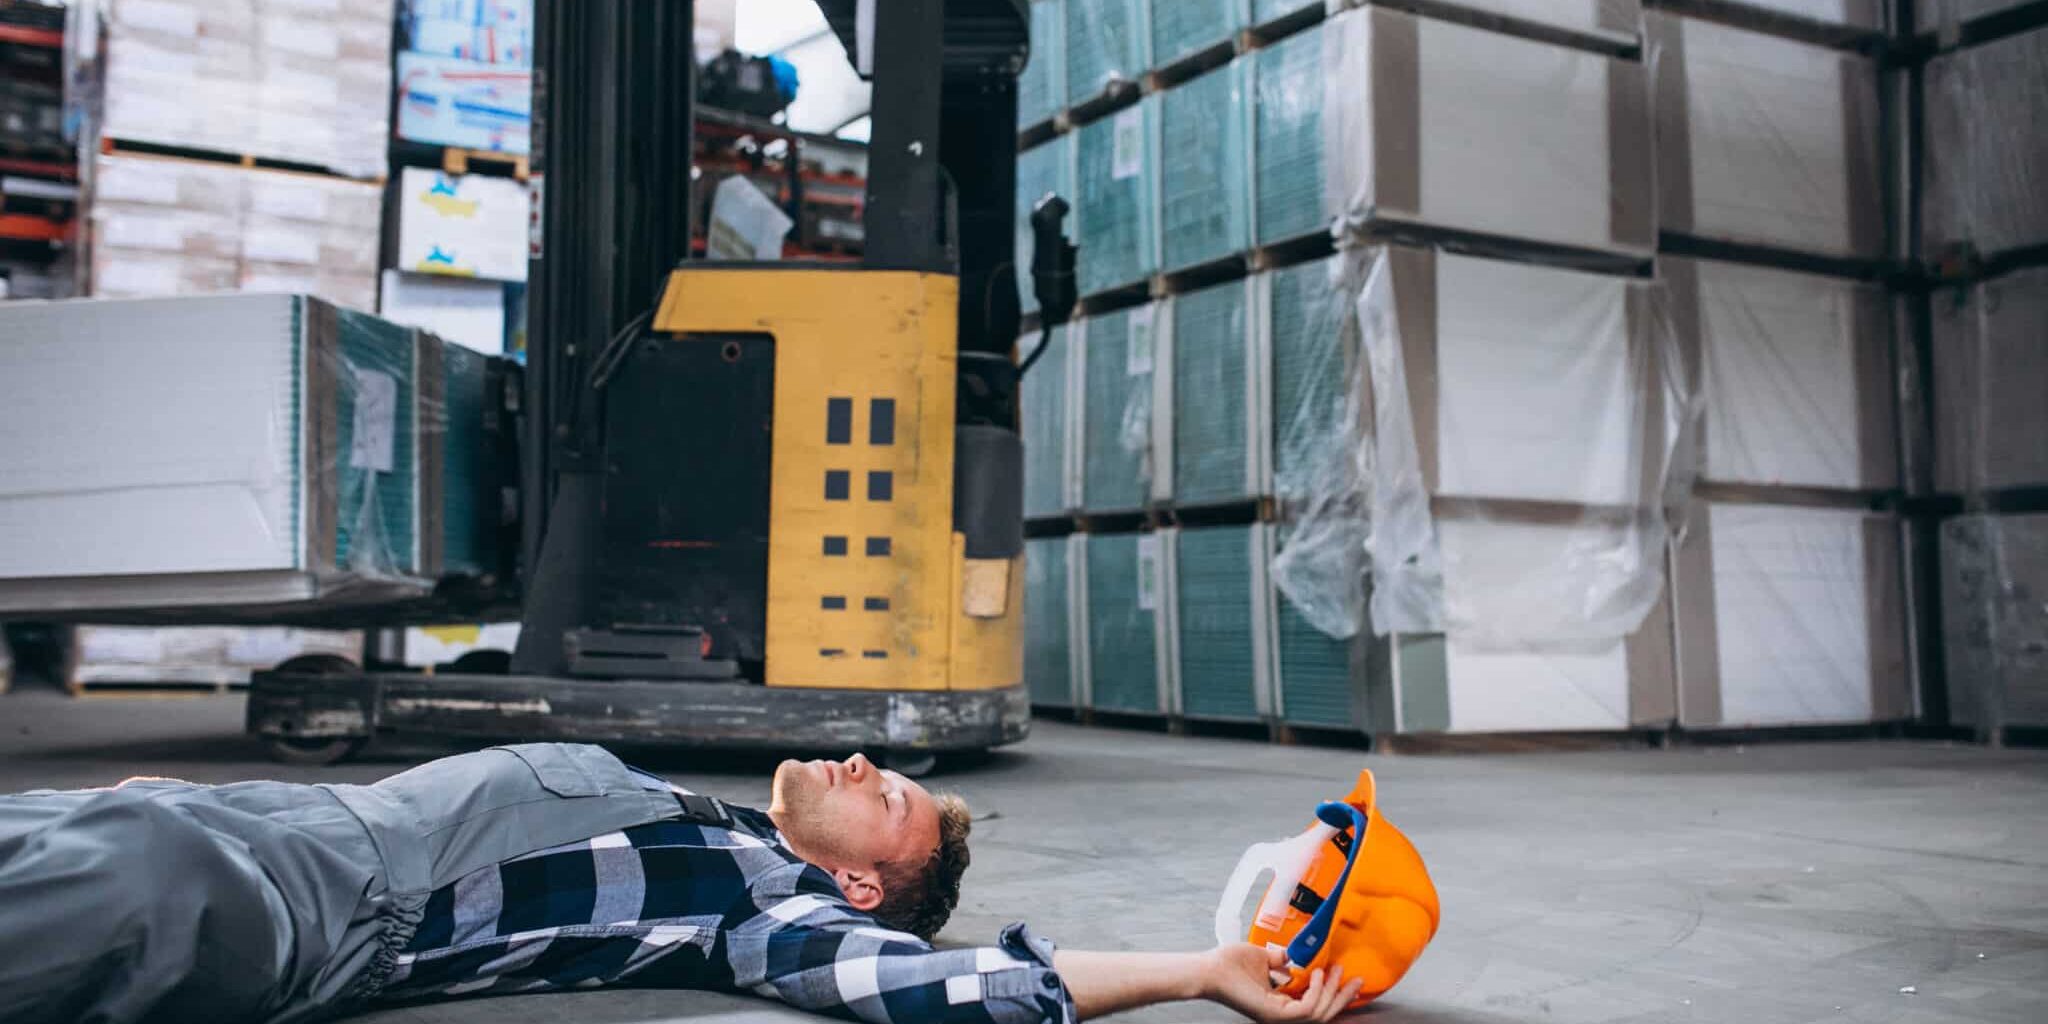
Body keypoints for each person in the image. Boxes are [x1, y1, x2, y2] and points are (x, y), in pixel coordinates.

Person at [0, 743, 1365, 1024]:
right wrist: (200, 792)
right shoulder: (681, 807)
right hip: (238, 827)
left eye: (885, 797)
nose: (862, 759)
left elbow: (951, 987)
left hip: (277, 907)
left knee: (136, 868)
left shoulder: (756, 901)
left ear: (859, 884)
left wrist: (1198, 968)